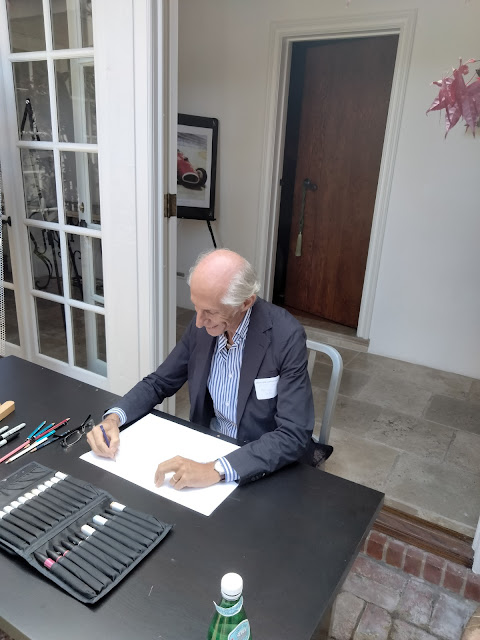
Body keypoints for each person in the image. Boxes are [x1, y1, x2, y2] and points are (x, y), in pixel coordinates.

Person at [87, 249, 314, 489]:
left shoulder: (286, 336)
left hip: (255, 460)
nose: (198, 322)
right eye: (196, 307)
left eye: (210, 312)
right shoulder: (203, 325)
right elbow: (159, 382)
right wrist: (114, 419)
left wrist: (215, 469)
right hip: (207, 444)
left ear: (246, 302)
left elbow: (293, 433)